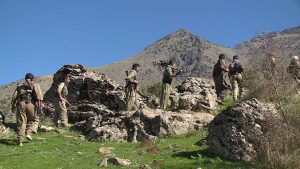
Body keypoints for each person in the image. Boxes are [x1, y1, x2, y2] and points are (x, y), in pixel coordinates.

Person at [11, 73, 44, 146]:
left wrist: (13, 106)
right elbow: (39, 96)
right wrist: (40, 105)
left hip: (20, 104)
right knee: (33, 120)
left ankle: (20, 141)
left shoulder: (20, 86)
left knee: (21, 122)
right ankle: (28, 133)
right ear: (33, 78)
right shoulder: (35, 84)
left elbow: (14, 97)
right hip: (30, 104)